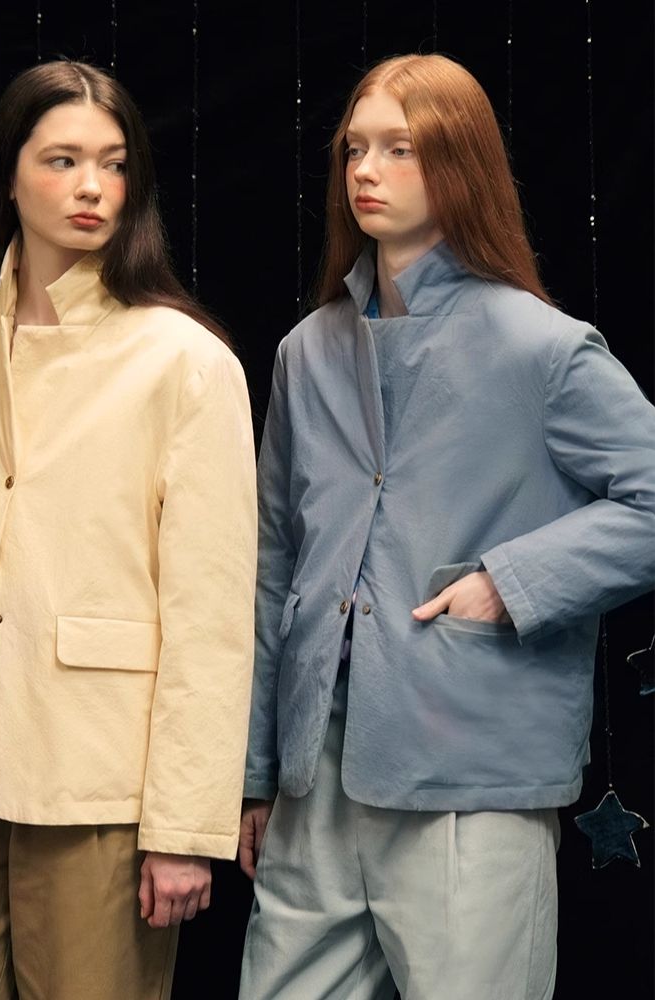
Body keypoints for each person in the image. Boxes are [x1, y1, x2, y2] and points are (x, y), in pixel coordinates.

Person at [238, 53, 655, 1000]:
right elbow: (274, 564)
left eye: (401, 148)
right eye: (355, 149)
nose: (366, 171)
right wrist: (257, 773)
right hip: (315, 775)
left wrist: (510, 582)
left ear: (461, 164)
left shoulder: (540, 346)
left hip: (471, 767)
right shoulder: (307, 353)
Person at [0, 60, 257, 1000]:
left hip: (97, 774)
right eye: (62, 160)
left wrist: (183, 830)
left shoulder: (185, 362)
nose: (92, 186)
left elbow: (213, 617)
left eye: (114, 162)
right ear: (8, 176)